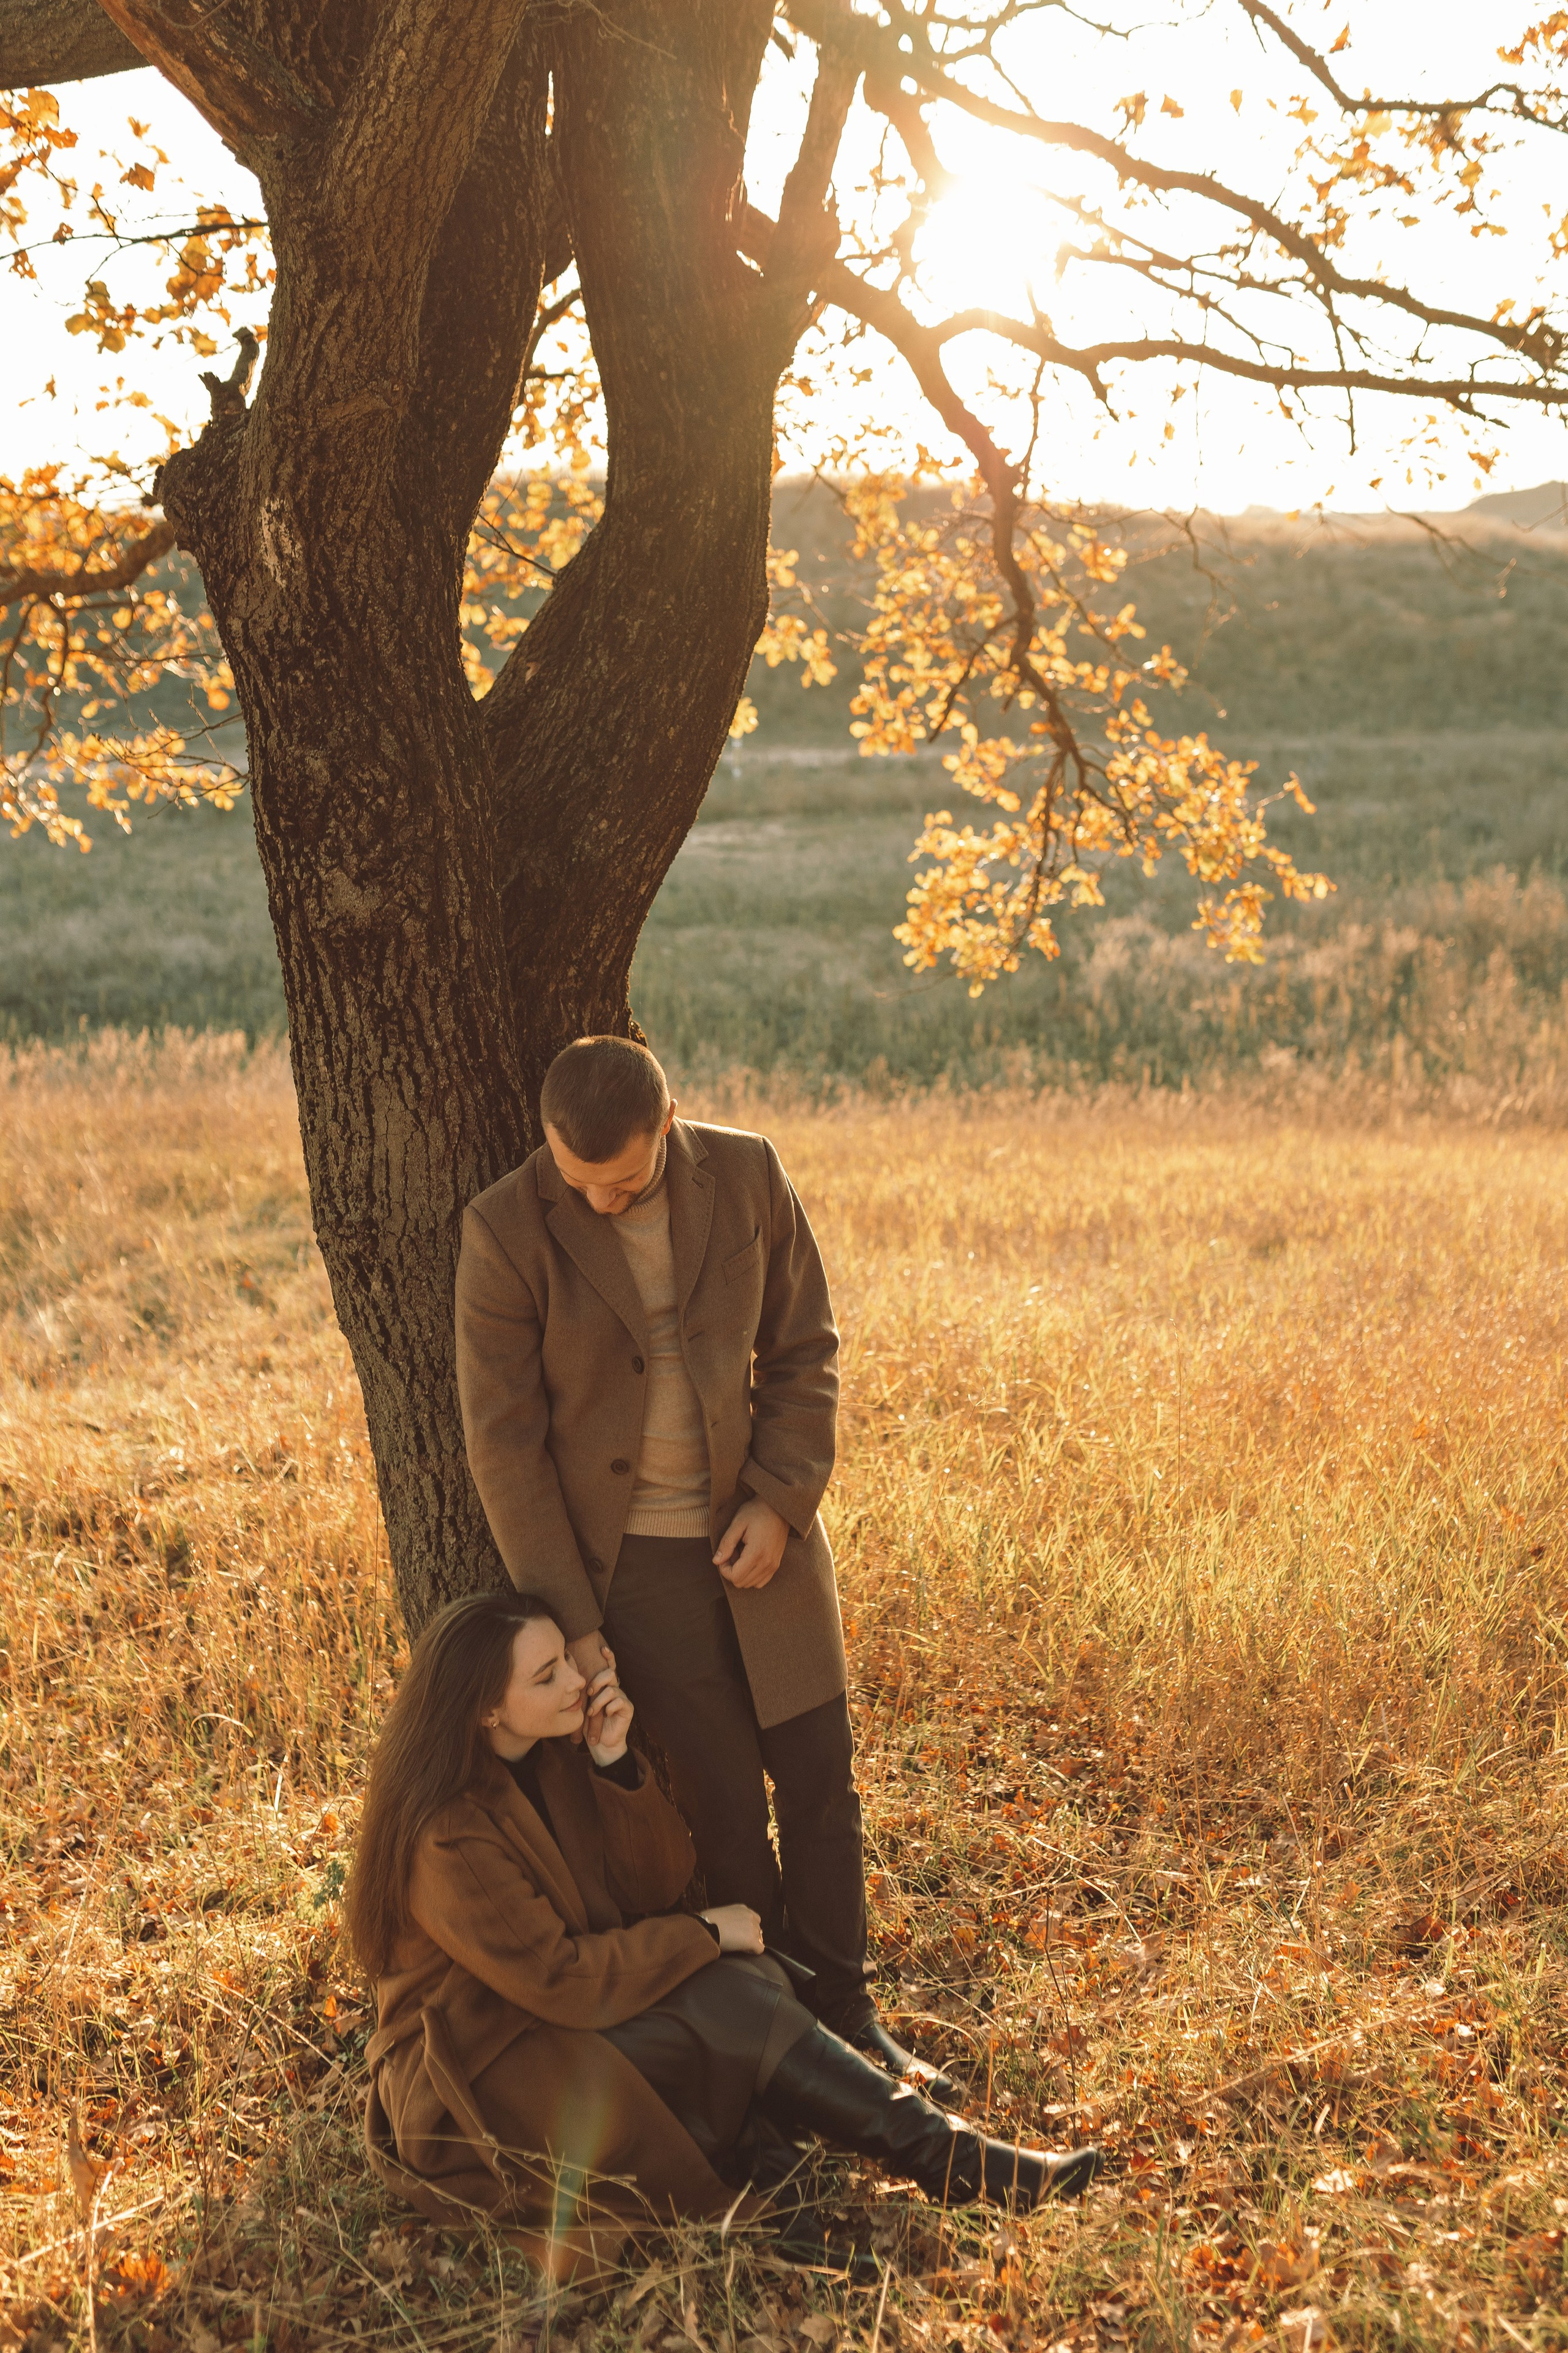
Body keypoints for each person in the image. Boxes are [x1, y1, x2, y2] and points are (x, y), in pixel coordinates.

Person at [454, 1033, 948, 2094]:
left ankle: (850, 2011)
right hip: (631, 1572)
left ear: (668, 1127)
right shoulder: (502, 1227)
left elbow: (805, 1346)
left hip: (767, 1548)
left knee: (820, 1781)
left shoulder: (751, 1171)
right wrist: (576, 1619)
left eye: (623, 1182)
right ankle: (783, 2042)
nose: (598, 1203)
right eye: (576, 1183)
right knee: (725, 1803)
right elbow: (504, 1444)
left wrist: (779, 1499)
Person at [352, 1591, 1099, 2280]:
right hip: (483, 2067)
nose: (575, 1683)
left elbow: (653, 1882)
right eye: (545, 1677)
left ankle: (818, 2196)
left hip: (551, 2016)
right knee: (731, 2002)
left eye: (567, 1661)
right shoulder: (446, 1833)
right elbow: (559, 1977)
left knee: (750, 1989)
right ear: (486, 1709)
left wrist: (612, 1763)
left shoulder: (551, 1759)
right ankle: (944, 2160)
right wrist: (704, 1934)